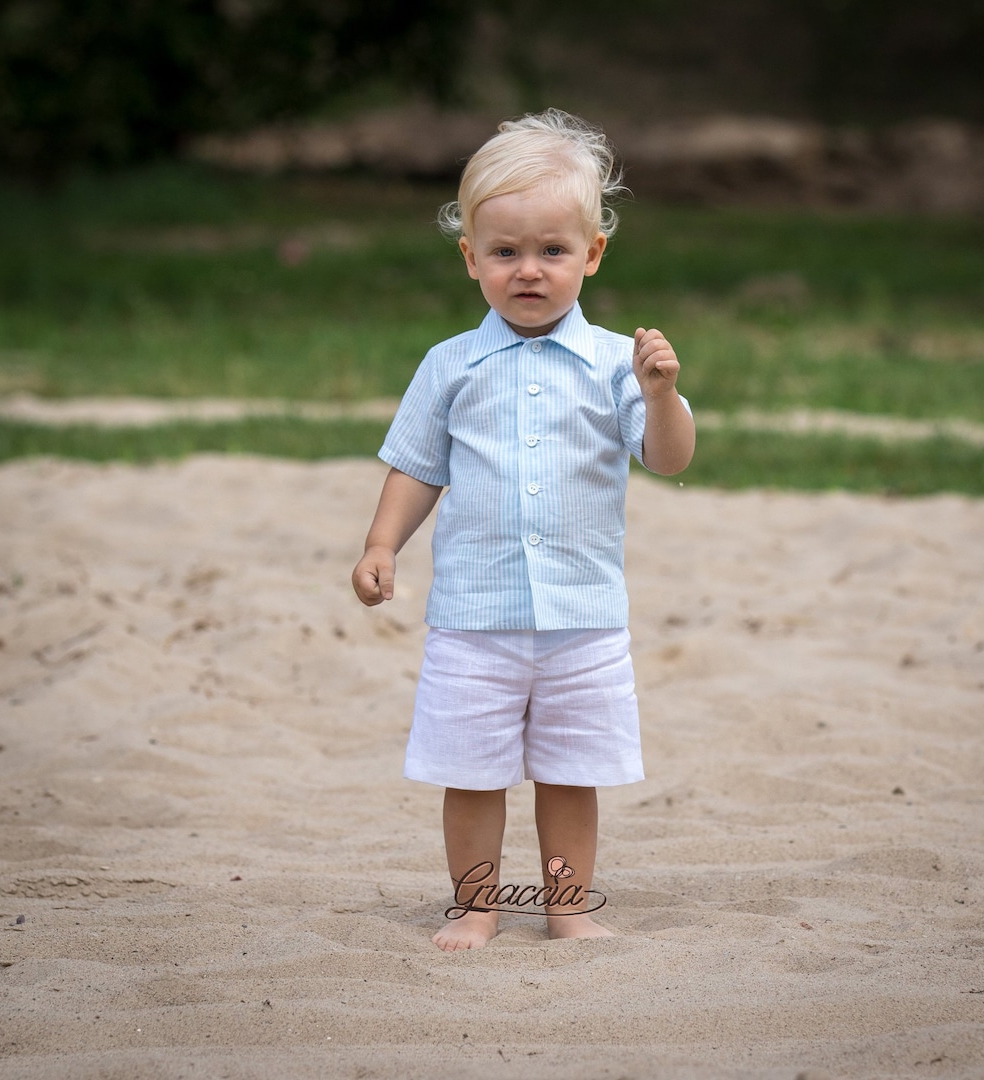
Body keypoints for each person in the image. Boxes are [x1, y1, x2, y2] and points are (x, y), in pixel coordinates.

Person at [352, 108, 696, 951]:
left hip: (583, 617)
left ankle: (568, 908)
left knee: (572, 774)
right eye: (505, 252)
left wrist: (660, 394)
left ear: (593, 254)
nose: (529, 271)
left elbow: (671, 458)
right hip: (474, 617)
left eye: (553, 251)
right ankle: (475, 906)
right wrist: (381, 545)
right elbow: (417, 465)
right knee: (471, 775)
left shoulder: (620, 361)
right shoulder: (449, 365)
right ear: (471, 259)